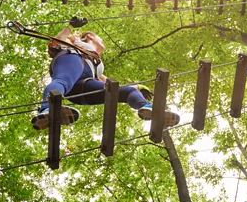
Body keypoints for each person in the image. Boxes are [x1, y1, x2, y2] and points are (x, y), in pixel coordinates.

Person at [31, 17, 180, 130]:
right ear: (90, 37)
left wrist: (137, 87)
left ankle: (149, 108)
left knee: (125, 92)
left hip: (84, 86)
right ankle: (47, 109)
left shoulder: (98, 64)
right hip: (72, 60)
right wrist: (70, 27)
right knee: (63, 81)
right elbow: (56, 42)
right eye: (99, 38)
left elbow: (108, 83)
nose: (104, 43)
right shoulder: (76, 42)